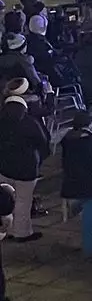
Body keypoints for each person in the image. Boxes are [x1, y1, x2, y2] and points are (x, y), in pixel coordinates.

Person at [0, 83, 48, 242]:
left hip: (4, 167)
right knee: (23, 201)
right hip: (26, 168)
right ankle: (21, 233)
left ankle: (4, 229)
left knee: (6, 198)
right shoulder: (30, 122)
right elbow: (43, 142)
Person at [60, 111, 92, 254]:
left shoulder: (68, 139)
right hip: (89, 184)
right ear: (89, 123)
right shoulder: (90, 141)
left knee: (83, 215)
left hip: (72, 181)